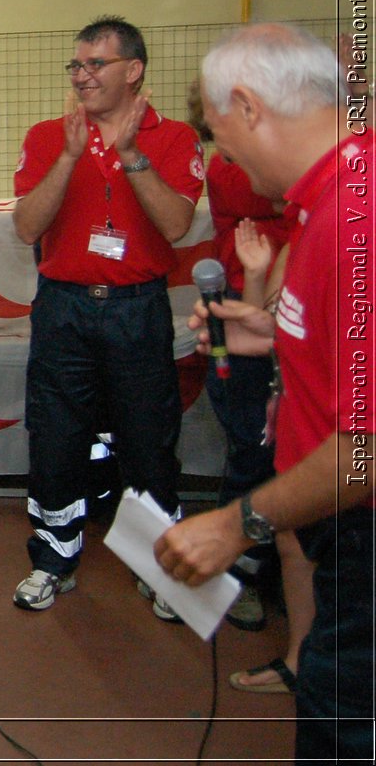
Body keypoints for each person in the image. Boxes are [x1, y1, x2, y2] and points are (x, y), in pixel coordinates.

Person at [156, 22, 372, 764]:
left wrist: (234, 525)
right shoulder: (331, 199)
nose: (227, 160)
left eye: (219, 135)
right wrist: (275, 333)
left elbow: (363, 451)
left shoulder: (354, 217)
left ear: (248, 107)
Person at [10, 16, 203, 616]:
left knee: (148, 440)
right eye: (77, 65)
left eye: (96, 64)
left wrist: (132, 157)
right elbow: (26, 227)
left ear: (134, 70)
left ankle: (161, 570)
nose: (83, 76)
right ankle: (53, 559)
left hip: (136, 310)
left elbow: (175, 226)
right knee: (56, 438)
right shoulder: (49, 136)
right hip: (63, 309)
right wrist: (69, 158)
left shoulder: (172, 139)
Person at [186, 83, 294, 635]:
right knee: (254, 450)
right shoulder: (237, 170)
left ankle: (269, 562)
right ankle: (246, 570)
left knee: (286, 455)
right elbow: (275, 203)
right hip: (247, 309)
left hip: (277, 315)